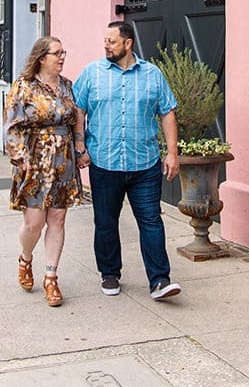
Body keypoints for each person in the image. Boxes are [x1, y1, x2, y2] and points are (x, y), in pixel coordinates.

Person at [73, 21, 183, 301]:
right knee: (106, 221)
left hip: (143, 164)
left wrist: (172, 153)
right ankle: (110, 273)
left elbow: (167, 111)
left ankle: (160, 280)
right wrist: (80, 145)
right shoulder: (93, 73)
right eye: (105, 41)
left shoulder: (152, 75)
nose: (106, 45)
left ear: (128, 43)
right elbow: (78, 109)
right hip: (105, 162)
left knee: (151, 221)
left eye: (112, 41)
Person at [4, 36, 84, 307]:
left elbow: (76, 121)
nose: (62, 57)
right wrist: (19, 157)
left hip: (63, 160)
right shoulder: (23, 87)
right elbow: (12, 126)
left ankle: (51, 277)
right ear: (41, 57)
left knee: (58, 218)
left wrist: (81, 148)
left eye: (64, 52)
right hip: (35, 159)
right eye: (56, 53)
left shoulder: (67, 86)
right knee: (34, 222)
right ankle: (26, 258)